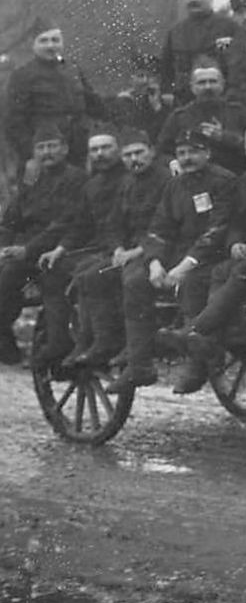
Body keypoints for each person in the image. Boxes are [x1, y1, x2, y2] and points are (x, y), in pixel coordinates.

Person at [168, 113, 246, 394]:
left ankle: (199, 332)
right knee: (215, 271)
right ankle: (209, 341)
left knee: (235, 271)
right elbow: (235, 219)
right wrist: (235, 242)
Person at [107, 128, 235, 394]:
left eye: (194, 152)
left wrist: (184, 266)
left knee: (194, 282)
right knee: (134, 280)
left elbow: (218, 229)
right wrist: (154, 262)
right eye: (182, 153)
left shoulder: (223, 181)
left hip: (212, 255)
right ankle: (139, 363)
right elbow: (159, 228)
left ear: (207, 153)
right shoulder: (175, 185)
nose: (187, 158)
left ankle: (197, 363)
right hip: (178, 254)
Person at [32, 126, 127, 369]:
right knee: (53, 268)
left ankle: (95, 339)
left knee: (88, 274)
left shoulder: (131, 178)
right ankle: (60, 338)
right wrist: (61, 248)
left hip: (123, 248)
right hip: (98, 246)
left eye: (106, 148)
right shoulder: (92, 185)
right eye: (94, 150)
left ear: (118, 150)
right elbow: (81, 224)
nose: (100, 154)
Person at [77, 129, 169, 369]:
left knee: (133, 280)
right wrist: (118, 247)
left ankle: (138, 352)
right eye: (128, 155)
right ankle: (105, 340)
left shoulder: (167, 180)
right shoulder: (127, 182)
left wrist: (138, 251)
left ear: (152, 152)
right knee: (91, 276)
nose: (134, 159)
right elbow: (114, 223)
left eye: (139, 153)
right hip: (131, 251)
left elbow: (166, 225)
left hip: (160, 250)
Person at [0, 124, 88, 363]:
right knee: (5, 278)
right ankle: (5, 343)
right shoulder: (32, 180)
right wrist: (5, 247)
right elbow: (11, 220)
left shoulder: (76, 179)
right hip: (27, 251)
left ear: (65, 149)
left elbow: (64, 223)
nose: (47, 152)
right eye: (41, 148)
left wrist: (28, 249)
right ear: (35, 152)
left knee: (52, 279)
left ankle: (58, 343)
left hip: (63, 247)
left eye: (52, 146)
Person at [4, 18, 101, 173]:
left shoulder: (72, 69)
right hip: (46, 154)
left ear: (62, 43)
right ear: (33, 45)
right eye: (44, 41)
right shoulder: (22, 76)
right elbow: (13, 123)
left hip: (79, 149)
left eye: (55, 40)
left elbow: (94, 103)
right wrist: (31, 155)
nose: (50, 46)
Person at [156, 58, 246, 173]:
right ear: (192, 86)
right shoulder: (179, 117)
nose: (208, 87)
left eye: (213, 81)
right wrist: (171, 161)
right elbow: (160, 152)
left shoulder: (238, 112)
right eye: (202, 82)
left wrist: (224, 137)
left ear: (223, 84)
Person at [159, 0, 237, 106]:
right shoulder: (175, 32)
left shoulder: (229, 27)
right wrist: (167, 92)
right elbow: (165, 69)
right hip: (184, 102)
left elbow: (240, 66)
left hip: (224, 101)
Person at [108, 53, 170, 142]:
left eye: (150, 76)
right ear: (131, 79)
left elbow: (167, 134)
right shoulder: (123, 102)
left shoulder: (167, 102)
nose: (145, 81)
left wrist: (157, 107)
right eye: (140, 76)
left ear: (158, 79)